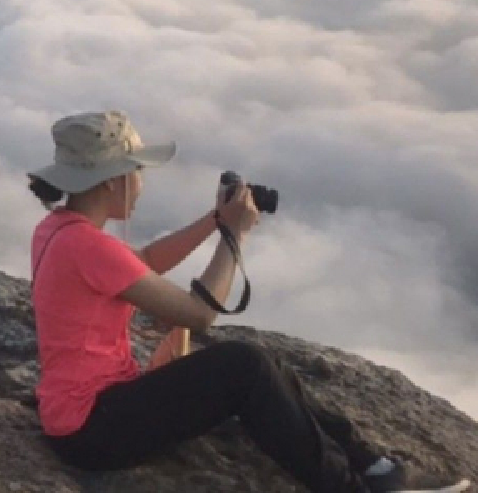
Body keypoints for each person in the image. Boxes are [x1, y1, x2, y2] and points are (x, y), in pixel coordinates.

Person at [27, 110, 468, 493]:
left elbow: (141, 262)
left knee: (264, 369)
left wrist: (214, 221)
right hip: (92, 427)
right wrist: (234, 237)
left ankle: (374, 466)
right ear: (113, 181)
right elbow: (201, 315)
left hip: (84, 415)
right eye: (137, 171)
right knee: (244, 366)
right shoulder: (88, 247)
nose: (141, 183)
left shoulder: (59, 229)